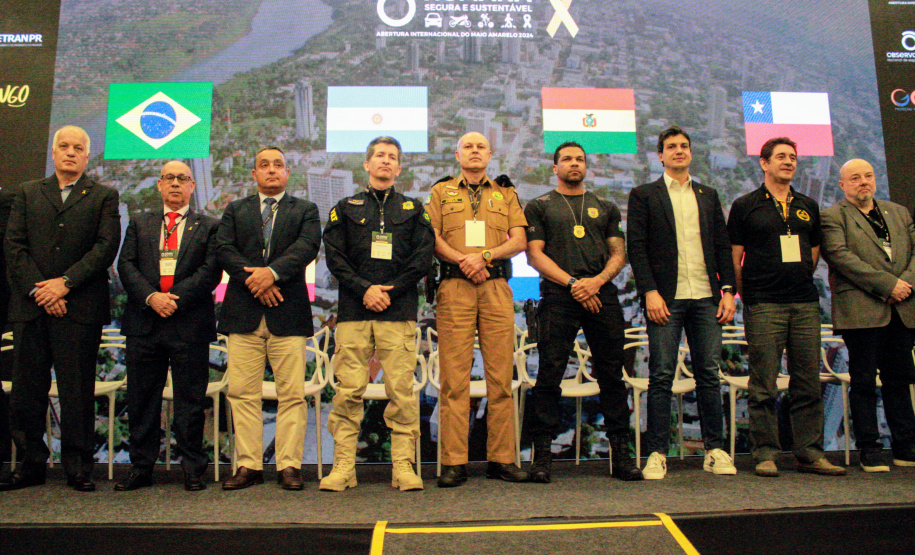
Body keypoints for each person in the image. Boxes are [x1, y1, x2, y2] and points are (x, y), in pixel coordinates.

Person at [0, 125, 121, 492]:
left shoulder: (104, 196)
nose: (70, 152)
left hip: (79, 308)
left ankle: (78, 467)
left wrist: (64, 284)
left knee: (77, 391)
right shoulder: (27, 192)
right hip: (32, 306)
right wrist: (42, 291)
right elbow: (14, 246)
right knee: (27, 391)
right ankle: (30, 465)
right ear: (53, 153)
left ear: (87, 156)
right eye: (64, 146)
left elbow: (105, 248)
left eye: (78, 148)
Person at [320, 137, 434, 491]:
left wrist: (392, 290)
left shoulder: (414, 210)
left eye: (392, 158)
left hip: (397, 311)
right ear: (367, 165)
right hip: (354, 311)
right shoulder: (344, 207)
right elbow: (335, 257)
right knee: (348, 391)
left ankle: (402, 466)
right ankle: (343, 467)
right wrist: (364, 289)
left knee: (401, 391)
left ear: (399, 169)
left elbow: (423, 257)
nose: (385, 161)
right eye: (379, 156)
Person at [524, 141, 642, 482]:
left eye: (579, 159)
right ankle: (542, 457)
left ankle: (621, 454)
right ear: (555, 167)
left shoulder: (605, 206)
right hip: (558, 295)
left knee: (611, 375)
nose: (573, 164)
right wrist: (576, 284)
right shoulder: (540, 205)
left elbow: (618, 254)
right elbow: (534, 255)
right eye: (566, 159)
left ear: (586, 166)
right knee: (549, 375)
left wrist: (596, 282)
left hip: (601, 295)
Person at [728, 137, 845, 477]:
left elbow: (812, 255)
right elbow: (735, 259)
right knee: (763, 382)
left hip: (804, 304)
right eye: (781, 157)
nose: (789, 162)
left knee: (807, 381)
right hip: (764, 303)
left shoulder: (808, 203)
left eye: (793, 157)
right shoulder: (745, 205)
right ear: (764, 163)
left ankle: (810, 453)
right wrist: (746, 295)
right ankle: (765, 453)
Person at [627, 126, 737, 480]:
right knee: (660, 375)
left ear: (691, 153)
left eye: (684, 146)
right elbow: (638, 247)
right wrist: (649, 291)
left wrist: (728, 290)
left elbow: (722, 246)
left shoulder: (707, 194)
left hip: (707, 296)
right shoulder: (644, 194)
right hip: (665, 298)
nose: (678, 151)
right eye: (671, 147)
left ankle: (715, 450)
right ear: (660, 155)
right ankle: (657, 452)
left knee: (708, 373)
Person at [424, 131, 529, 487]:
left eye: (480, 146)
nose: (474, 151)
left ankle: (502, 459)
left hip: (495, 286)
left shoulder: (506, 193)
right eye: (467, 146)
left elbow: (519, 239)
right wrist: (463, 261)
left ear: (490, 153)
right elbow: (432, 238)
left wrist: (483, 257)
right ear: (457, 154)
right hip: (455, 286)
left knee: (501, 376)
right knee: (455, 379)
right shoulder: (441, 192)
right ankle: (455, 461)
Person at [216, 146, 321, 490]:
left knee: (291, 393)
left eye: (278, 165)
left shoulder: (305, 209)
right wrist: (255, 281)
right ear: (254, 174)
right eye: (264, 165)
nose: (272, 170)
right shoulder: (235, 209)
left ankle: (289, 465)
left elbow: (306, 248)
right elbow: (224, 250)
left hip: (287, 312)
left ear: (287, 173)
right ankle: (248, 466)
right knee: (242, 393)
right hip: (243, 312)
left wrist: (272, 274)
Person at [115, 160, 222, 491]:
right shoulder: (139, 222)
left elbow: (211, 271)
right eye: (169, 178)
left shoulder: (209, 225)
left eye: (183, 178)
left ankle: (192, 468)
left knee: (190, 401)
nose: (176, 184)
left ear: (192, 186)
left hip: (188, 323)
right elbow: (126, 265)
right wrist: (151, 298)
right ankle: (141, 467)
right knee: (141, 399)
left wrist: (173, 298)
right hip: (145, 323)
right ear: (159, 185)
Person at [820, 158, 915, 471]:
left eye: (868, 176)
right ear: (843, 185)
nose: (864, 182)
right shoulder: (833, 216)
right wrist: (888, 284)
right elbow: (841, 257)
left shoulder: (898, 212)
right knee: (862, 381)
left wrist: (905, 284)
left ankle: (905, 446)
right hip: (862, 311)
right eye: (855, 178)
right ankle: (869, 448)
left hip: (901, 309)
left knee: (899, 380)